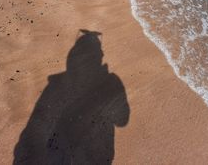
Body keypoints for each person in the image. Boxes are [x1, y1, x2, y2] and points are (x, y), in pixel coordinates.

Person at [13, 29, 130, 164]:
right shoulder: (111, 81)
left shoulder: (55, 85)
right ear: (100, 55)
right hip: (94, 155)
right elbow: (122, 121)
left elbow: (36, 126)